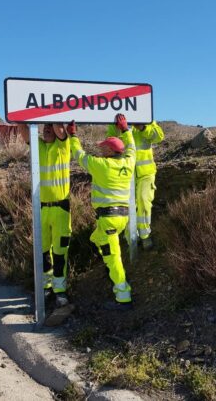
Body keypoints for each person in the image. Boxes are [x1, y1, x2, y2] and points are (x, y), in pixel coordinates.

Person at [67, 114, 136, 310]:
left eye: (102, 147)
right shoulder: (128, 163)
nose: (100, 149)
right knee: (95, 239)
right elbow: (131, 148)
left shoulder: (101, 165)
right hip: (122, 218)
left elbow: (79, 155)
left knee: (113, 256)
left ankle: (122, 295)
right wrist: (125, 129)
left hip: (109, 219)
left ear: (109, 151)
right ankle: (110, 269)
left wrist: (73, 136)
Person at [18, 123, 72, 308]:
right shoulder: (39, 146)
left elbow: (61, 131)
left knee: (59, 252)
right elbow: (25, 132)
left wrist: (53, 117)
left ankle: (60, 290)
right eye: (45, 127)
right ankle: (46, 287)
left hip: (61, 209)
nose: (47, 129)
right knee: (42, 252)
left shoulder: (63, 146)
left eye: (51, 127)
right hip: (42, 208)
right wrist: (19, 118)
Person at [106, 120, 164, 249]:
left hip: (146, 173)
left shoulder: (145, 118)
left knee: (144, 201)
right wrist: (119, 129)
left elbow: (159, 136)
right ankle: (131, 239)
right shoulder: (114, 122)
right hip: (125, 174)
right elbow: (110, 143)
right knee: (127, 206)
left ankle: (145, 236)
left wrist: (143, 127)